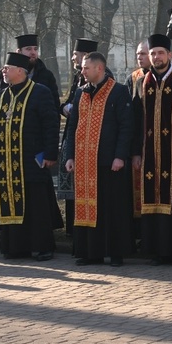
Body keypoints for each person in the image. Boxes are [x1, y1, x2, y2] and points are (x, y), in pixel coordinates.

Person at [0, 52, 61, 261]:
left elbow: (50, 124)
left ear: (20, 71)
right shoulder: (4, 95)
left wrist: (50, 153)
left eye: (7, 68)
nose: (3, 71)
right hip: (7, 164)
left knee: (36, 206)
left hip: (31, 161)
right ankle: (16, 247)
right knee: (11, 202)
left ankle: (43, 247)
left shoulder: (40, 92)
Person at [63, 52, 133, 266]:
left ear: (99, 68)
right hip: (84, 162)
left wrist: (120, 156)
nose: (82, 71)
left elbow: (126, 127)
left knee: (111, 208)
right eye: (82, 68)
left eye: (86, 68)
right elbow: (73, 126)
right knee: (86, 206)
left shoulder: (118, 91)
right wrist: (69, 155)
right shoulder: (81, 93)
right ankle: (90, 252)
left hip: (108, 161)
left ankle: (116, 253)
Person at [132, 33, 172, 266]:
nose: (156, 57)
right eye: (153, 53)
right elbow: (136, 120)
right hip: (149, 154)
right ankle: (156, 251)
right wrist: (136, 152)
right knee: (152, 199)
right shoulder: (141, 83)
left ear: (170, 55)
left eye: (160, 53)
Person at [58, 38, 98, 235]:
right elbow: (67, 101)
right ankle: (73, 229)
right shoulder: (77, 77)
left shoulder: (101, 79)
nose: (73, 57)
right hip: (73, 135)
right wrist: (65, 108)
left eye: (76, 54)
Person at [0, 33, 60, 113]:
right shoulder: (3, 75)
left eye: (35, 49)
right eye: (28, 49)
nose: (33, 52)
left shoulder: (46, 76)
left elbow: (55, 106)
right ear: (19, 52)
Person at [127, 39, 151, 241]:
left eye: (143, 54)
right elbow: (131, 117)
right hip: (139, 142)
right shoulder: (133, 79)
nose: (139, 57)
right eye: (138, 54)